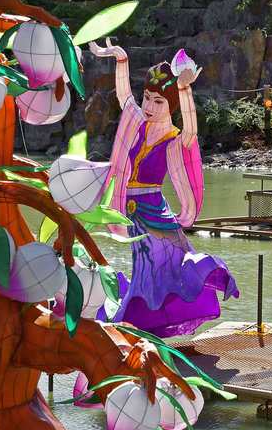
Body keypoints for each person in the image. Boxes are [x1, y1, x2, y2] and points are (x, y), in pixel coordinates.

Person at [90, 39, 239, 338]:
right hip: (131, 213)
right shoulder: (137, 125)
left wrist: (185, 91)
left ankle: (143, 324)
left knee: (160, 270)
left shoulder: (173, 138)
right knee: (144, 269)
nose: (148, 106)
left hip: (155, 214)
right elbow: (124, 98)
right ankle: (141, 322)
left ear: (170, 105)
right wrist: (120, 58)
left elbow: (192, 131)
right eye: (147, 98)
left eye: (158, 102)